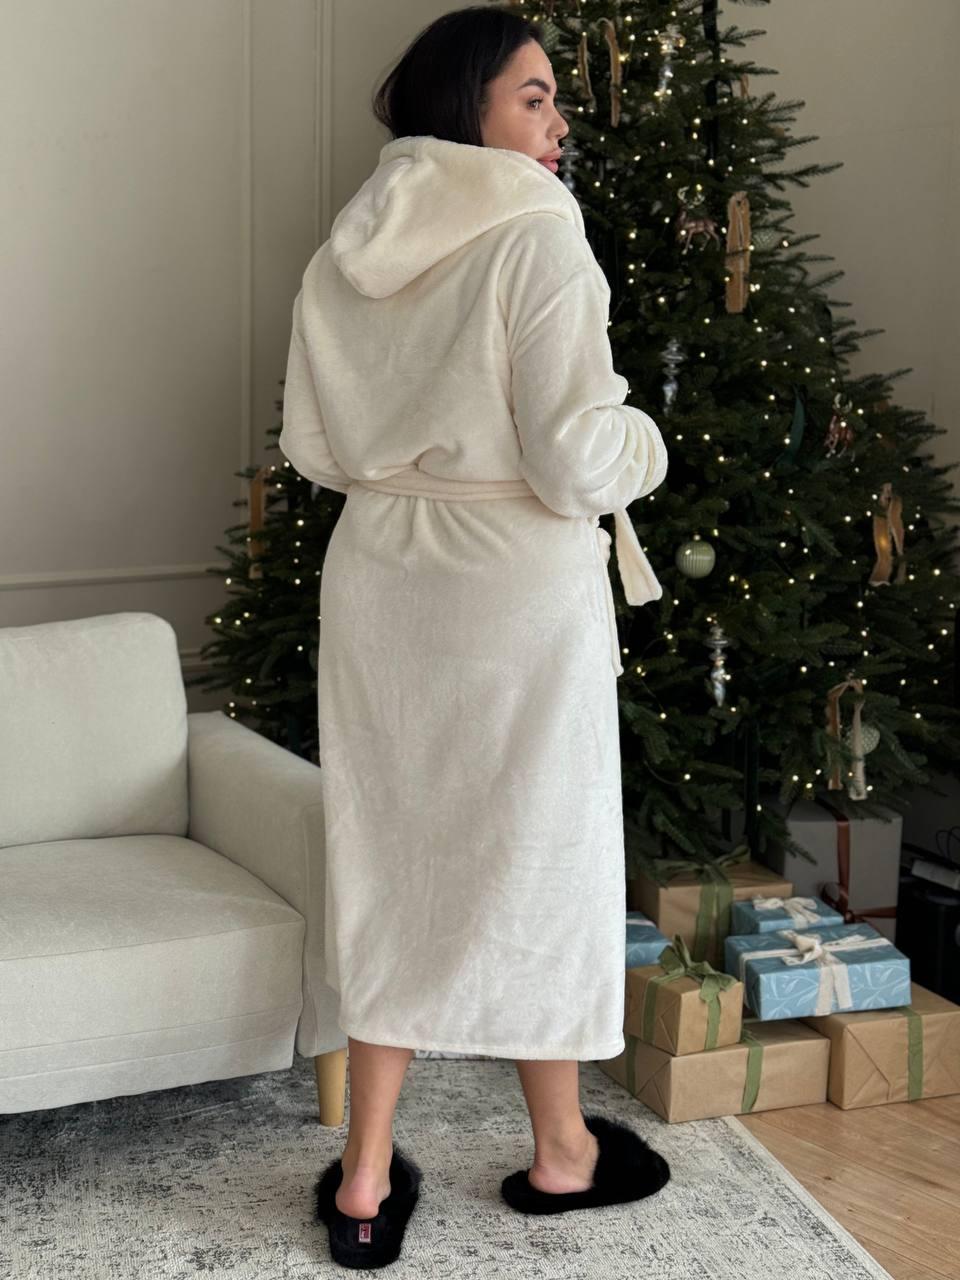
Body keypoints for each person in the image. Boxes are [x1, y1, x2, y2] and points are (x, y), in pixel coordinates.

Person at [280, 5, 670, 1264]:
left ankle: (364, 1175)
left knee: (388, 855)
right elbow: (573, 456)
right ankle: (562, 1151)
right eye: (534, 96)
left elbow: (311, 444)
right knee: (538, 855)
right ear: (471, 107)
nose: (559, 124)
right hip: (512, 584)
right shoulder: (538, 231)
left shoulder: (347, 246)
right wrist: (645, 440)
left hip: (381, 573)